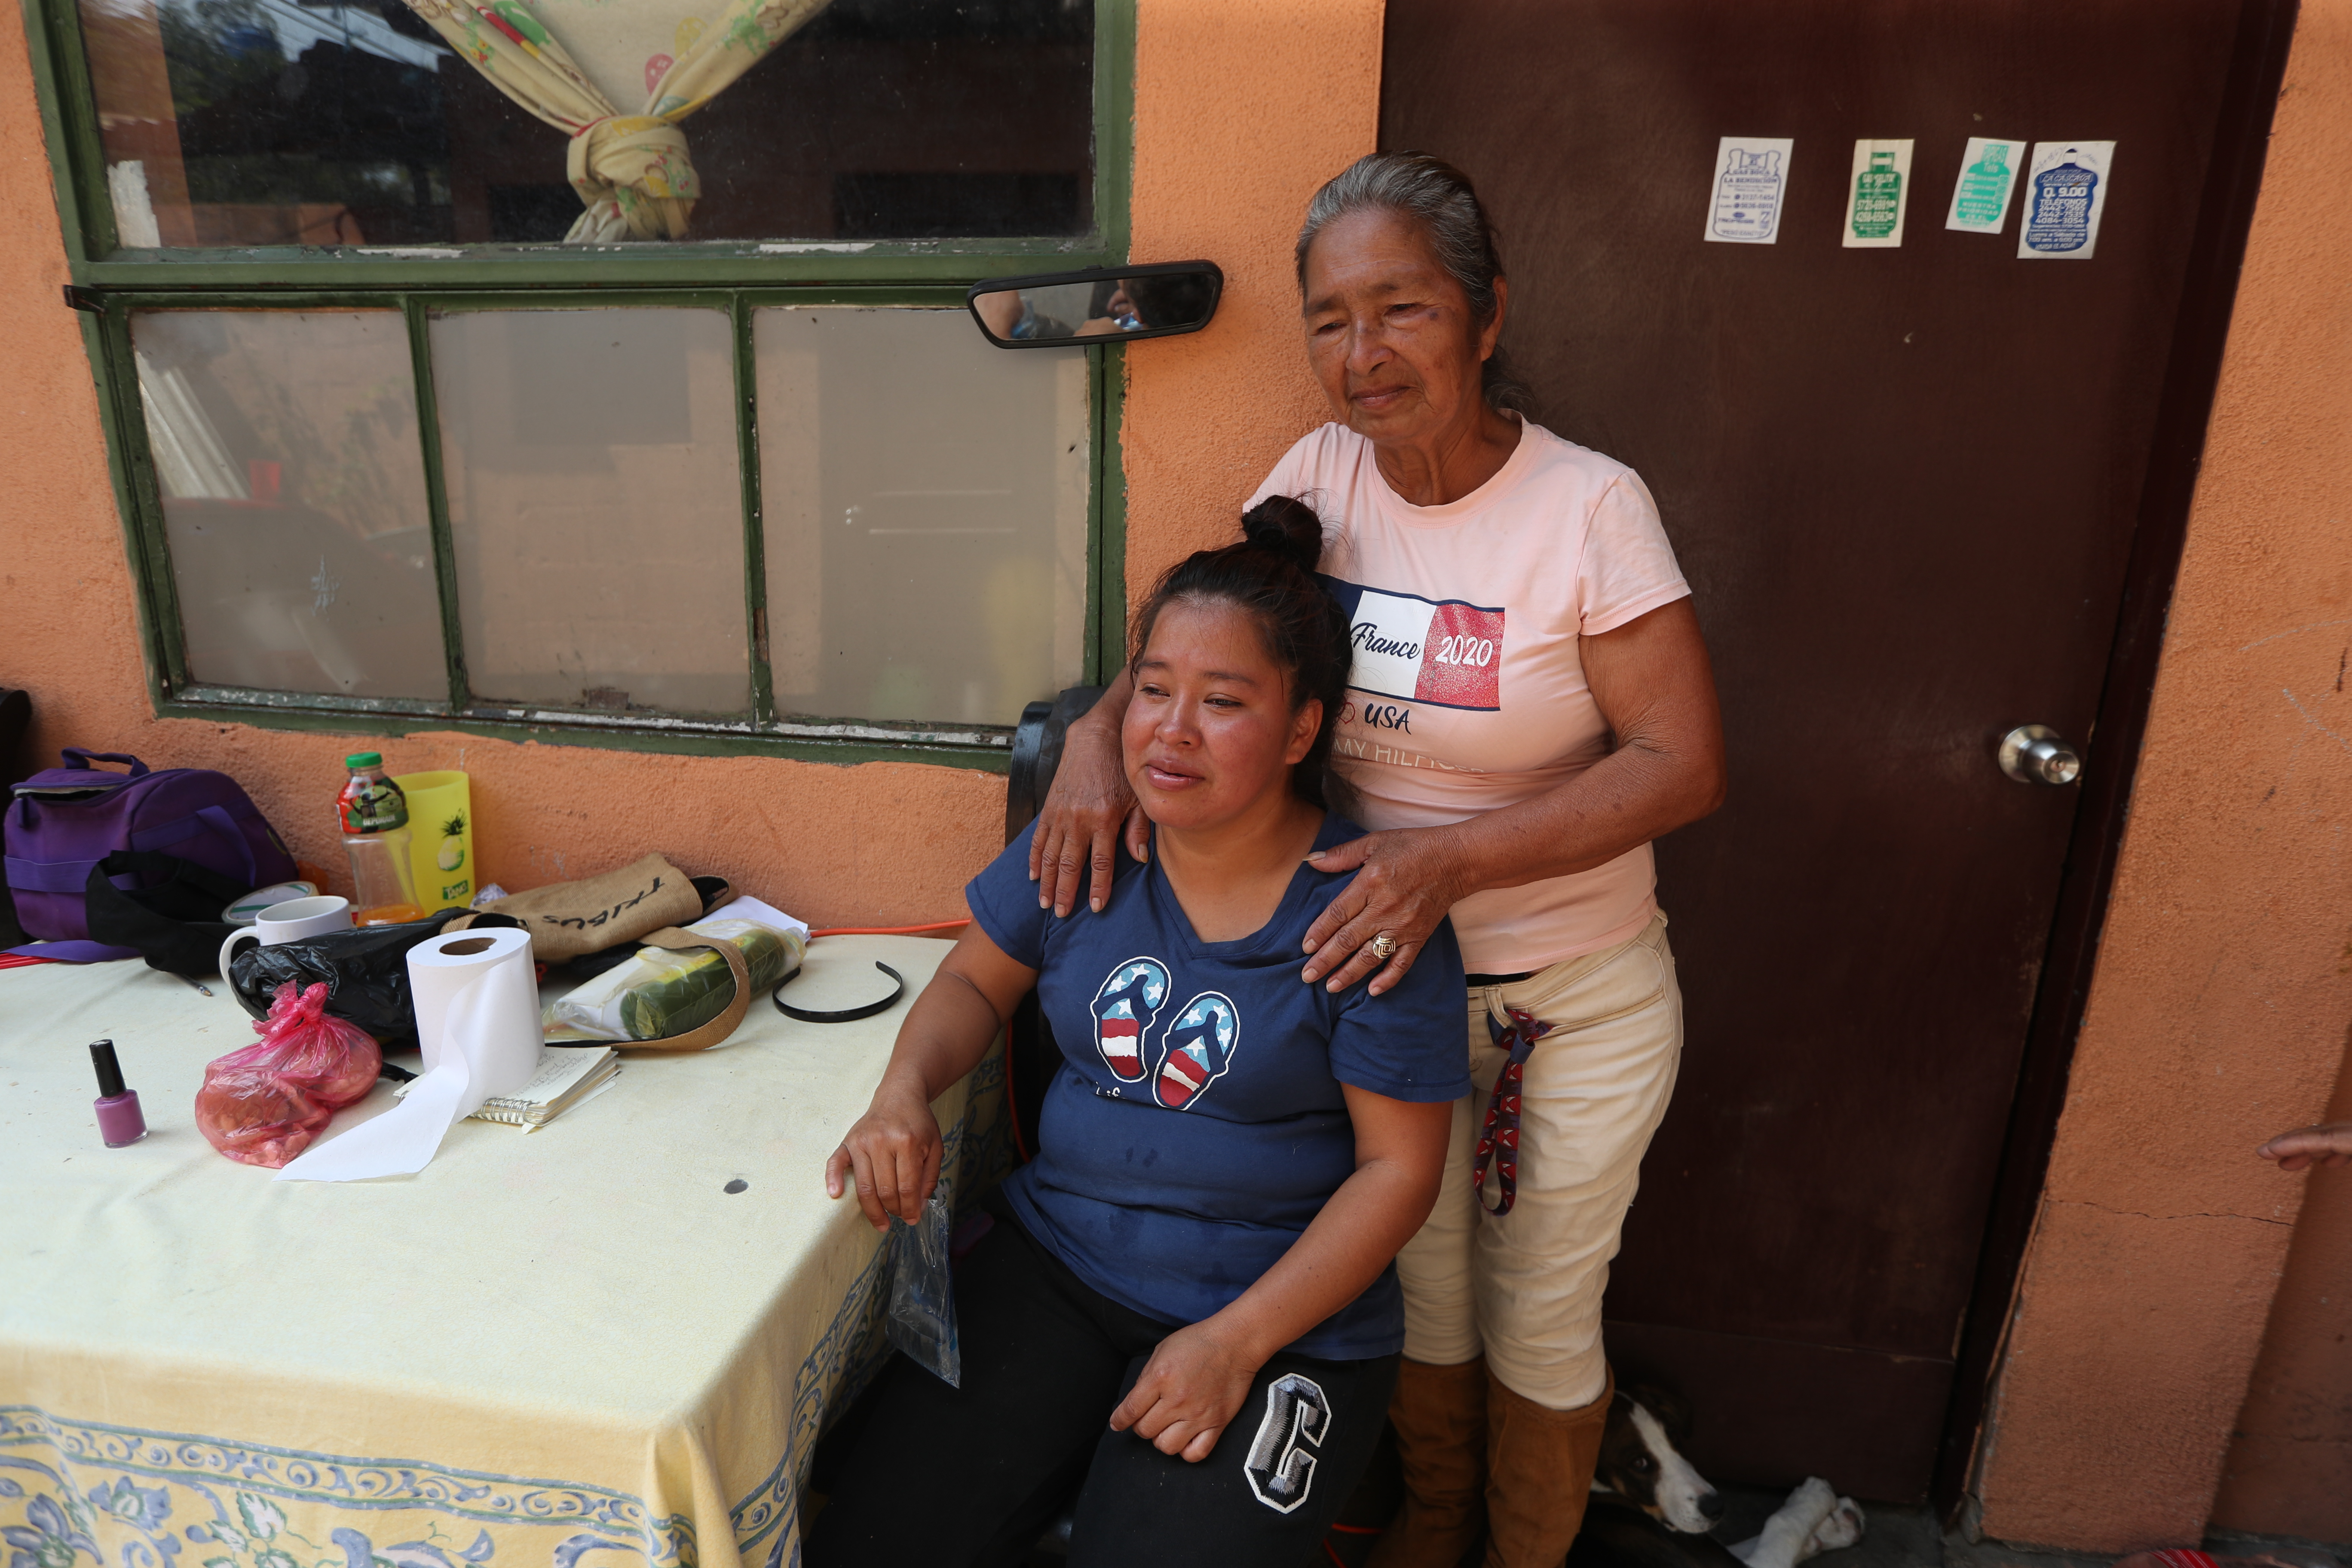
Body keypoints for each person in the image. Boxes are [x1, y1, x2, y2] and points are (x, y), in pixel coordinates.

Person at [1029, 153, 1727, 1568]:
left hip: (1557, 1000)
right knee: (1420, 1290)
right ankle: (1431, 1525)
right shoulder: (1318, 477)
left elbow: (1682, 764)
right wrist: (1101, 733)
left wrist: (1444, 865)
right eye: (1331, 317)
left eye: (1400, 309)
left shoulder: (1587, 507)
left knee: (1538, 1300)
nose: (1362, 355)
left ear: (1484, 314)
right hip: (1367, 993)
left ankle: (1521, 1551)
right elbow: (1213, 640)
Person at [806, 498, 1471, 1568]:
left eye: (1223, 702)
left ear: (1303, 728)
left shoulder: (1367, 912)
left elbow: (1398, 1174)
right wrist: (901, 1094)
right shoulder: (1086, 851)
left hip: (1278, 1314)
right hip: (1056, 1266)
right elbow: (973, 984)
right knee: (875, 1543)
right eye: (1154, 690)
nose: (1172, 728)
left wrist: (1237, 1341)